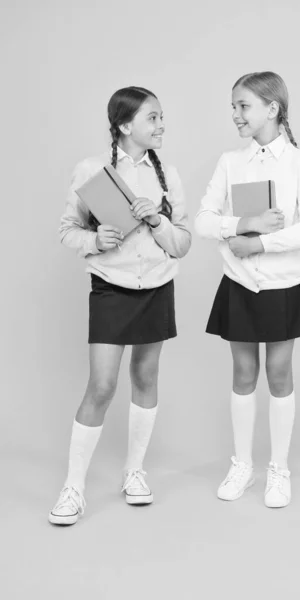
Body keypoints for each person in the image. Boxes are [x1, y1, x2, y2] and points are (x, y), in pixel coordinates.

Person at [49, 86, 191, 525]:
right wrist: (96, 240)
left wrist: (158, 220)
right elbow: (68, 229)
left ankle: (134, 472)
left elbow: (182, 243)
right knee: (103, 386)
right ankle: (73, 487)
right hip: (111, 289)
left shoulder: (168, 172)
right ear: (126, 126)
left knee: (146, 378)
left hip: (157, 289)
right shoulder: (92, 171)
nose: (162, 125)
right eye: (153, 118)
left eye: (162, 116)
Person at [195, 71, 300, 508]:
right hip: (239, 284)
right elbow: (204, 220)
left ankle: (279, 468)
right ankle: (243, 465)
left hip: (282, 285)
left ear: (272, 108)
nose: (235, 114)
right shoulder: (230, 162)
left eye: (243, 105)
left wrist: (260, 243)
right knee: (243, 375)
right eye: (233, 106)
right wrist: (243, 224)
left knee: (280, 375)